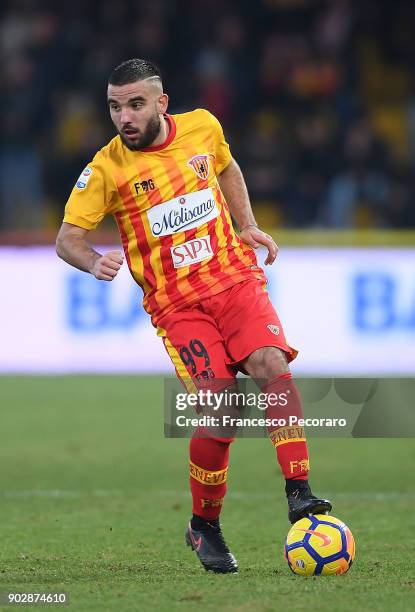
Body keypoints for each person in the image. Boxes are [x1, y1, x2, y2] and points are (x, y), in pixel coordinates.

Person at [56, 58, 332, 574]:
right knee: (222, 408)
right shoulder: (106, 169)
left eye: (135, 104)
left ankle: (299, 492)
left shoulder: (204, 126)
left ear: (161, 103)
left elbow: (226, 165)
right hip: (179, 308)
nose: (124, 117)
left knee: (272, 363)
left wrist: (246, 223)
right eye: (115, 107)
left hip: (234, 281)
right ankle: (204, 525)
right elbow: (67, 238)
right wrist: (94, 261)